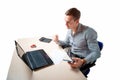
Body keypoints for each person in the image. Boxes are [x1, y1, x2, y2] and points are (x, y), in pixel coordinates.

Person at [53, 7, 101, 77]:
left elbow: (97, 53)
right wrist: (57, 41)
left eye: (68, 22)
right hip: (71, 55)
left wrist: (83, 61)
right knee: (55, 68)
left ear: (77, 21)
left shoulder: (89, 32)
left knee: (66, 76)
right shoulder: (70, 29)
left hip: (81, 59)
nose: (65, 25)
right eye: (65, 21)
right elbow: (67, 42)